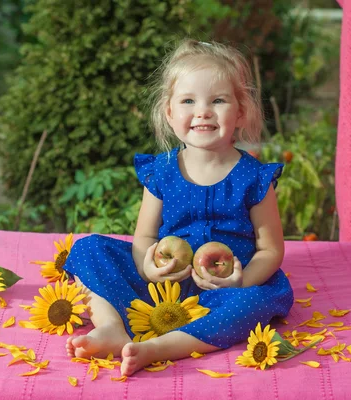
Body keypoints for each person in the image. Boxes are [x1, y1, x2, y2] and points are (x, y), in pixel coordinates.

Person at [64, 39, 294, 376]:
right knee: (88, 249)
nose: (202, 111)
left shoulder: (254, 177)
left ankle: (160, 347)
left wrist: (241, 282)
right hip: (163, 286)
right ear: (170, 113)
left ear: (241, 111)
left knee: (254, 303)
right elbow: (143, 236)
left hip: (225, 289)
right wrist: (147, 269)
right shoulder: (161, 171)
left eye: (218, 100)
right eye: (188, 101)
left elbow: (270, 250)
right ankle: (112, 326)